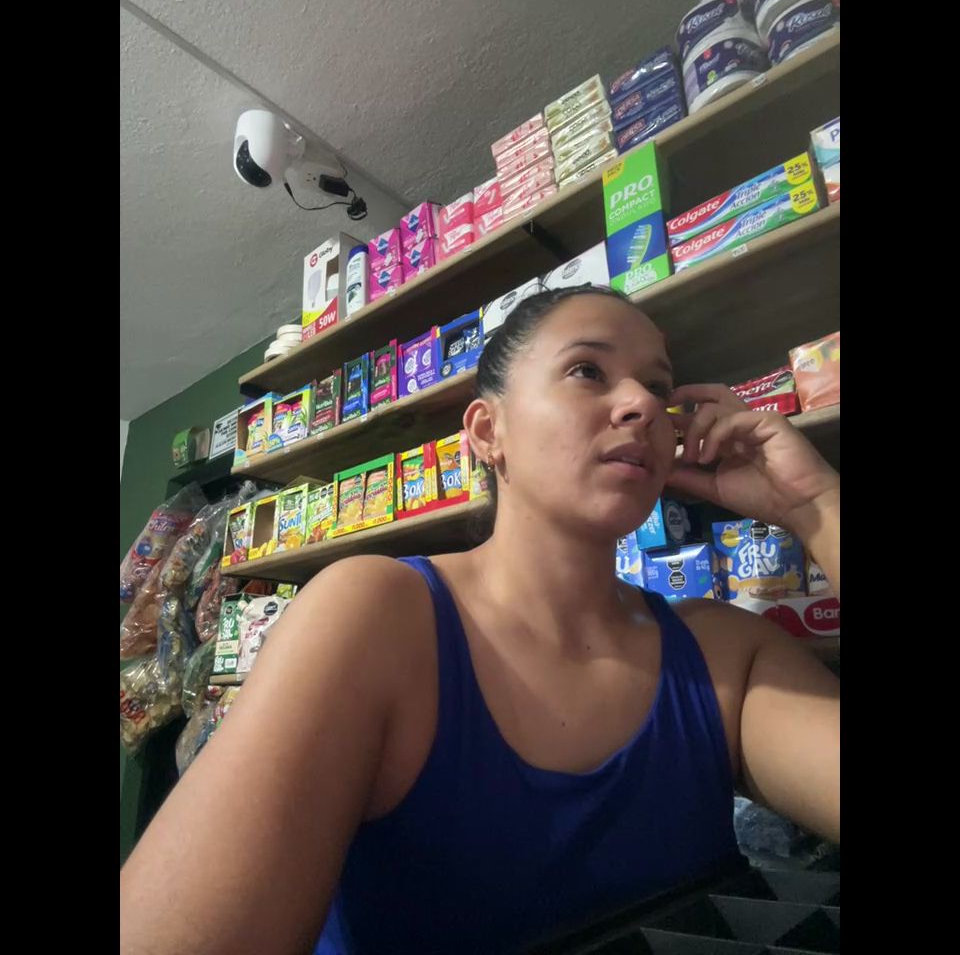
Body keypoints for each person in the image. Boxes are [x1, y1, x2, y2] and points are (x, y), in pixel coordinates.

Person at [120, 286, 840, 955]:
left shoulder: (722, 651)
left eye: (658, 386)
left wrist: (816, 507)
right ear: (488, 431)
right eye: (588, 371)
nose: (642, 406)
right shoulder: (374, 617)